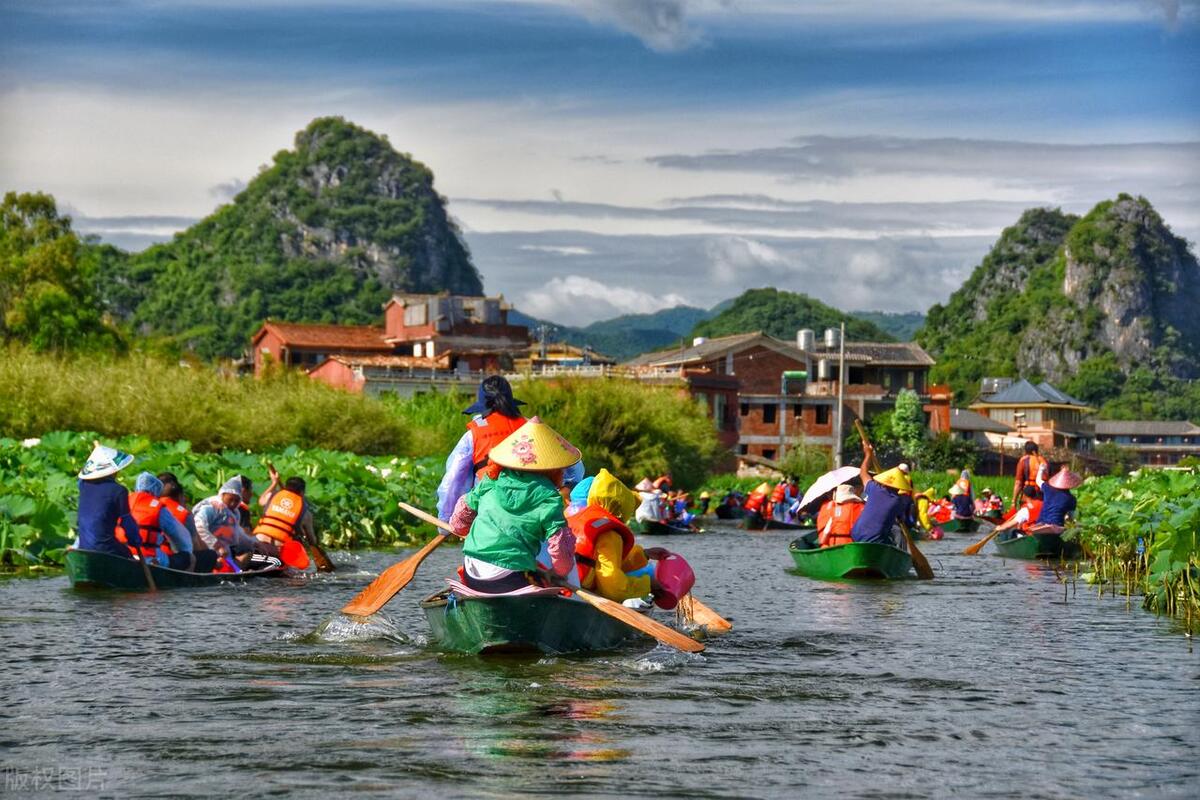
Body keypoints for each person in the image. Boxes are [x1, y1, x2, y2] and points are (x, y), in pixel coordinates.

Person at [445, 417, 579, 593]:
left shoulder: (490, 482)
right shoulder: (549, 498)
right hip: (510, 577)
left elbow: (458, 523)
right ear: (553, 468)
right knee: (546, 583)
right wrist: (558, 573)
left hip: (473, 572)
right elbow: (561, 550)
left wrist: (465, 530)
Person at [436, 375, 527, 521]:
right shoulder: (533, 428)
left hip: (489, 512)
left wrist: (445, 519)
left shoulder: (473, 435)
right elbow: (571, 470)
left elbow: (454, 479)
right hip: (531, 512)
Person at [567, 469, 657, 602]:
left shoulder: (574, 518)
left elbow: (603, 562)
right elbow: (612, 587)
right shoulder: (609, 534)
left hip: (563, 582)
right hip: (578, 590)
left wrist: (644, 555)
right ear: (622, 509)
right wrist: (649, 585)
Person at [74, 443, 141, 559]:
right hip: (106, 547)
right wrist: (135, 541)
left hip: (83, 547)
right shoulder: (119, 491)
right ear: (112, 471)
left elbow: (82, 478)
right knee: (128, 554)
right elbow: (127, 522)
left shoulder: (83, 486)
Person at [124, 472, 198, 571]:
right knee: (189, 558)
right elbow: (182, 538)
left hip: (123, 556)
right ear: (156, 490)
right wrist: (185, 552)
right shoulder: (158, 508)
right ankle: (182, 584)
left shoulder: (124, 501)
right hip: (151, 559)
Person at [193, 477, 264, 568]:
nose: (233, 504)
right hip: (207, 551)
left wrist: (254, 543)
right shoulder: (212, 508)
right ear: (222, 495)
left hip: (225, 553)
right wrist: (217, 545)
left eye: (236, 500)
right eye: (230, 499)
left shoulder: (234, 513)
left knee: (237, 569)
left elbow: (237, 533)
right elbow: (199, 527)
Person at [850, 444, 912, 546]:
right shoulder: (899, 501)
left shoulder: (874, 488)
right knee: (896, 538)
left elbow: (863, 472)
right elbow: (903, 515)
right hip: (875, 540)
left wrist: (868, 454)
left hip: (855, 535)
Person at [157, 472, 219, 573]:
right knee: (210, 555)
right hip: (174, 560)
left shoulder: (150, 507)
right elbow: (195, 546)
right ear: (180, 496)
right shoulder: (184, 514)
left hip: (151, 555)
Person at [253, 475, 317, 570]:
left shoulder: (272, 496)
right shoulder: (306, 514)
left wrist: (274, 483)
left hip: (257, 545)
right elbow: (312, 541)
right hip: (276, 552)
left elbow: (261, 500)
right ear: (302, 492)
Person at [1029, 465, 1081, 534]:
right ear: (1070, 484)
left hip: (1040, 523)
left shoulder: (1047, 488)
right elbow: (1071, 517)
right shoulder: (1071, 499)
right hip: (1056, 525)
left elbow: (1038, 480)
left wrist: (1041, 469)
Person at [1012, 442, 1047, 508]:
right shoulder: (1045, 461)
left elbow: (1018, 483)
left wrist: (1014, 501)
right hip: (1043, 495)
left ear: (1026, 451)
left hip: (1028, 495)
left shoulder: (1024, 461)